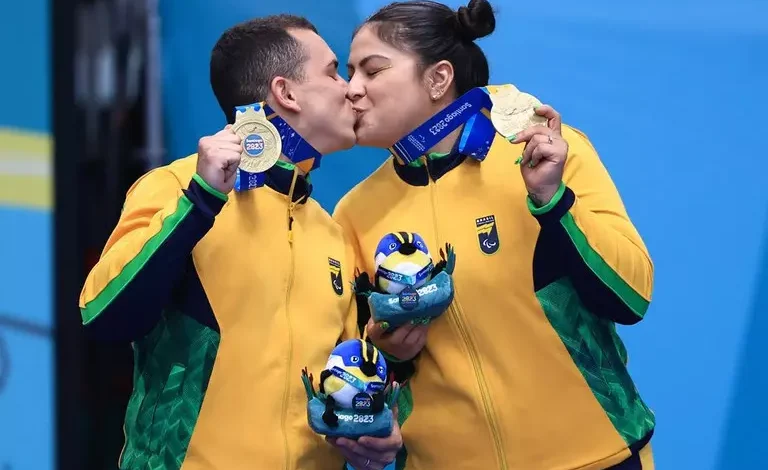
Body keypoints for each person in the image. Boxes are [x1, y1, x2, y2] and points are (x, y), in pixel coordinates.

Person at [333, 1, 656, 469]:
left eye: (372, 70)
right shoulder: (355, 212)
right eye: (348, 72)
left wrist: (553, 202)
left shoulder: (544, 154)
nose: (352, 90)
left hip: (596, 456)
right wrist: (387, 354)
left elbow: (631, 298)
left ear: (438, 79)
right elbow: (363, 372)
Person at [79, 15, 402, 470]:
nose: (350, 88)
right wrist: (201, 200)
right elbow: (103, 318)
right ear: (286, 93)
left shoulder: (329, 232)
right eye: (333, 72)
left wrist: (375, 432)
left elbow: (342, 390)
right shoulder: (179, 187)